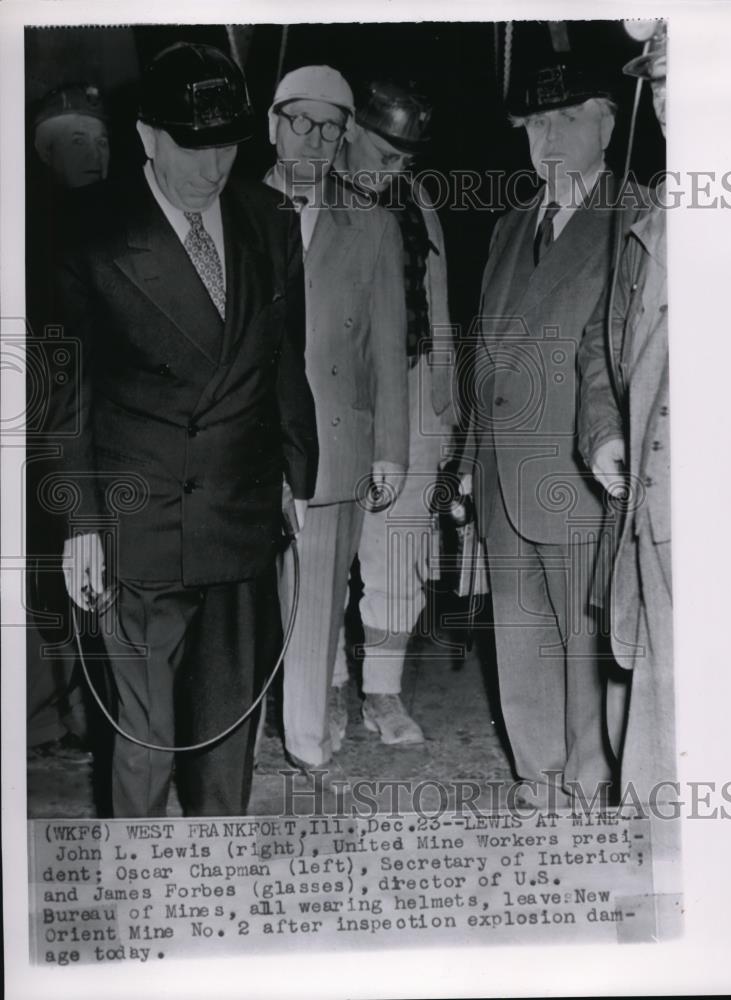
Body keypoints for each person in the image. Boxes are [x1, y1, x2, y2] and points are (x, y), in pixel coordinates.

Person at [48, 42, 318, 817]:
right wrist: (80, 524)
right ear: (145, 137)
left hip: (239, 510)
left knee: (227, 726)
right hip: (140, 523)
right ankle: (137, 885)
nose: (212, 169)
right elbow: (66, 396)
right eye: (192, 147)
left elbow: (281, 359)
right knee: (145, 732)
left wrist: (296, 476)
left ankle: (214, 873)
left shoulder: (268, 219)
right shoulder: (88, 232)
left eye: (227, 145)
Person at [458, 59, 636, 806]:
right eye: (533, 125)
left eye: (565, 119)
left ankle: (589, 782)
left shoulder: (635, 219)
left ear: (606, 122)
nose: (547, 138)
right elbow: (487, 348)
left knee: (583, 641)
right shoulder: (509, 225)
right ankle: (538, 777)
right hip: (503, 473)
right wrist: (469, 463)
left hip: (580, 468)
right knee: (520, 637)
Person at [263, 67, 409, 781]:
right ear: (272, 124)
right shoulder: (226, 206)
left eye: (331, 127)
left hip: (334, 443)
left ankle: (306, 743)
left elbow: (387, 347)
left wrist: (390, 452)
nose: (315, 139)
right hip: (238, 440)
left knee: (318, 604)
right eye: (301, 122)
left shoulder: (372, 224)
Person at [330, 80, 456, 746]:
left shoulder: (418, 203)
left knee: (398, 551)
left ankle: (382, 692)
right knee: (321, 555)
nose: (393, 171)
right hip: (331, 397)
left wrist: (445, 406)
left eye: (405, 160)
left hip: (407, 397)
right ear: (347, 131)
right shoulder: (308, 197)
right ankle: (321, 686)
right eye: (383, 153)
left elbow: (438, 312)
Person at [578, 23, 674, 801]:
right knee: (649, 719)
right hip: (650, 519)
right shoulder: (648, 226)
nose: (673, 103)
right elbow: (601, 341)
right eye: (664, 83)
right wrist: (608, 428)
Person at [27, 83, 112, 764]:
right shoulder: (31, 234)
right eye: (75, 141)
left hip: (106, 434)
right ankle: (47, 717)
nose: (94, 153)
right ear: (44, 154)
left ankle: (94, 714)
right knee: (52, 578)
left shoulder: (127, 223)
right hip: (46, 432)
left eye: (101, 140)